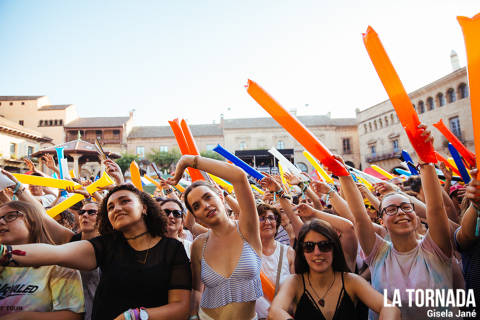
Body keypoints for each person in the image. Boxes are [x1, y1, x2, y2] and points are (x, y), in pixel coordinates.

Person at [0, 184, 192, 320]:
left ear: (144, 207)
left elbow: (180, 308)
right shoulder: (105, 245)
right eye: (110, 207)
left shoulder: (172, 249)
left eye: (124, 201)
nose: (117, 208)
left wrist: (133, 316)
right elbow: (54, 253)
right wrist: (4, 253)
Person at [336, 125, 459, 319]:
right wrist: (343, 174)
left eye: (406, 207)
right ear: (382, 221)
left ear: (417, 216)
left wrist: (426, 159)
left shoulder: (435, 248)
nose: (401, 212)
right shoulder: (378, 254)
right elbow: (359, 217)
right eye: (391, 209)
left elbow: (436, 209)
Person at [167, 155, 262, 320]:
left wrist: (187, 161)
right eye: (196, 206)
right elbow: (197, 290)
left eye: (207, 197)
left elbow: (238, 176)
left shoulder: (247, 229)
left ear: (219, 197)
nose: (205, 206)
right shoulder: (199, 245)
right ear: (195, 216)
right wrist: (192, 317)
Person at [269, 219, 400, 319]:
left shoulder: (351, 281)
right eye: (309, 246)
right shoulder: (294, 282)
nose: (317, 252)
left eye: (324, 245)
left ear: (334, 248)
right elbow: (275, 311)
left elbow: (389, 307)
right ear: (302, 251)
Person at [0, 199, 84, 319]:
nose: (1, 222)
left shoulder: (58, 265)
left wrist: (22, 317)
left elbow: (73, 316)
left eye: (10, 216)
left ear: (32, 221)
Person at [255, 203, 294, 319]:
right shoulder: (246, 254)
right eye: (262, 218)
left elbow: (297, 292)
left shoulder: (289, 253)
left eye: (271, 218)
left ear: (277, 223)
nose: (267, 222)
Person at [69, 200, 101, 320]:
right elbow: (42, 218)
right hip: (69, 309)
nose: (85, 215)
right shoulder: (71, 239)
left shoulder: (110, 244)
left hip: (96, 312)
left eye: (91, 212)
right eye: (82, 212)